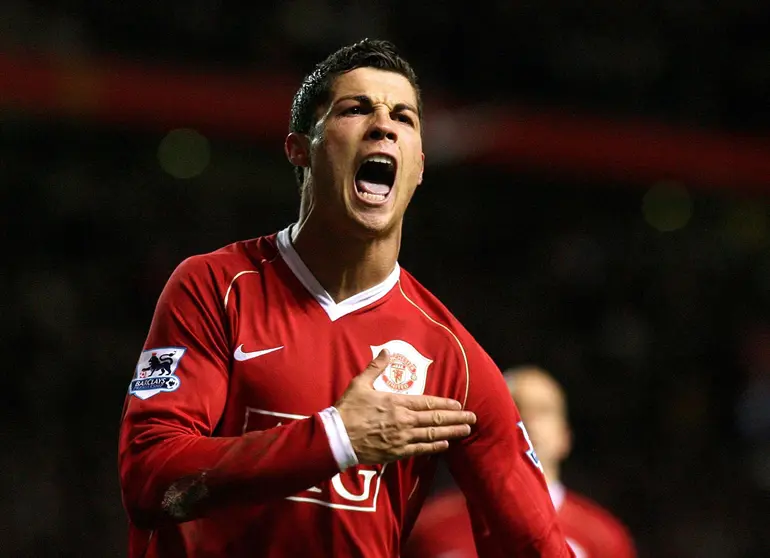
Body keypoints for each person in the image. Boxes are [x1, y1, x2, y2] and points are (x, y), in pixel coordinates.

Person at [118, 39, 574, 558]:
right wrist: (337, 439)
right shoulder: (214, 287)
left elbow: (536, 545)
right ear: (298, 147)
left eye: (403, 117)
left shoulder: (454, 361)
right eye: (355, 109)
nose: (383, 125)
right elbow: (150, 477)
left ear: (419, 166)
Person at [404, 366, 636, 558]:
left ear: (565, 437)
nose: (528, 420)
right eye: (515, 408)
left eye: (543, 410)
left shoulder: (603, 538)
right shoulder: (428, 527)